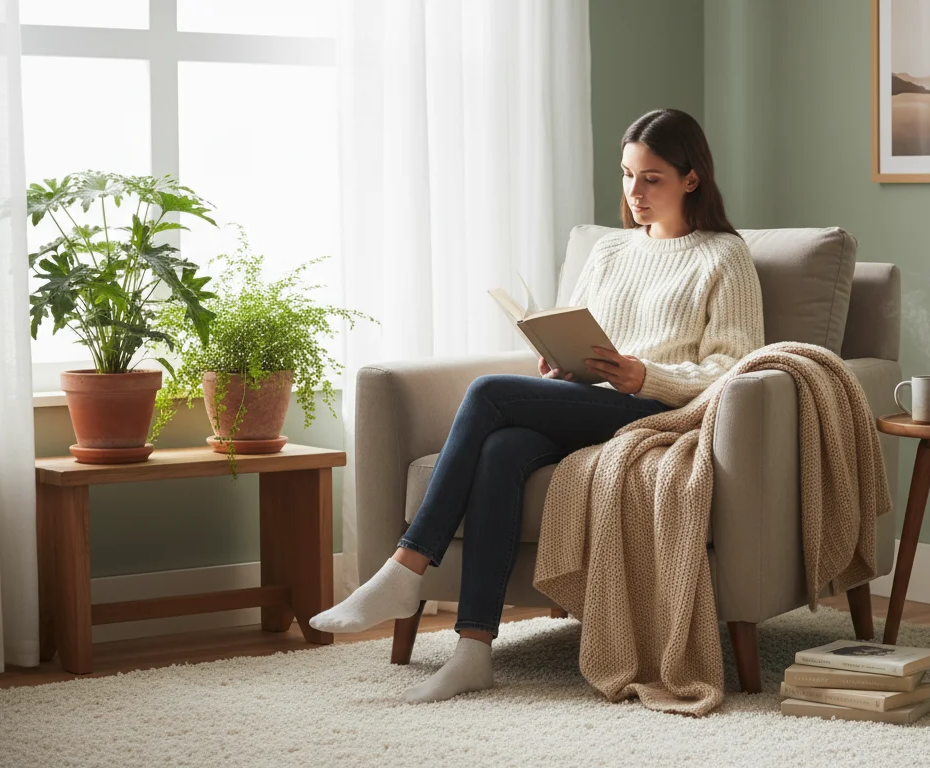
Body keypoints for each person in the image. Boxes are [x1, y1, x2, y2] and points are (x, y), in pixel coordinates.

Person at [308, 108, 765, 703]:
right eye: (627, 176)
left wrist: (641, 372)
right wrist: (558, 364)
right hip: (588, 399)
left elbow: (733, 366)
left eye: (651, 179)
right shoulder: (608, 252)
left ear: (690, 179)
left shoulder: (723, 256)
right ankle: (473, 650)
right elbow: (577, 328)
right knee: (502, 448)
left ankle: (408, 565)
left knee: (489, 392)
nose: (635, 192)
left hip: (656, 409)